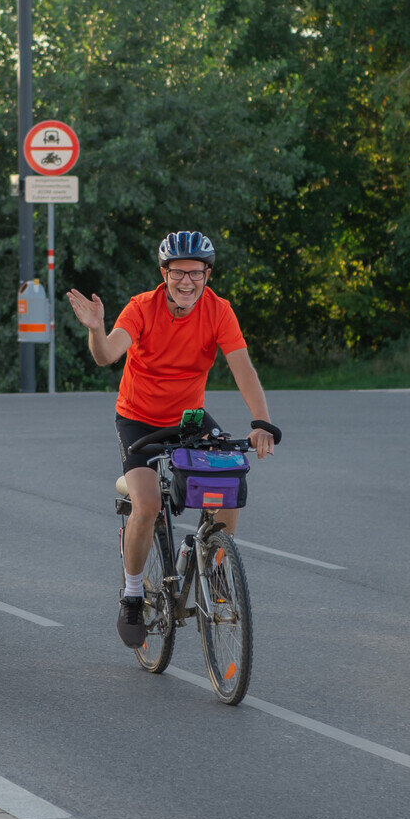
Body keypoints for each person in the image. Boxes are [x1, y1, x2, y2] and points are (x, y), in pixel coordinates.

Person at [65, 230, 279, 649]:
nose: (187, 281)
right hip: (139, 419)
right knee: (147, 504)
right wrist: (96, 328)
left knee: (229, 482)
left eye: (196, 272)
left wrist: (262, 422)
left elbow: (243, 369)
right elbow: (107, 355)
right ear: (164, 273)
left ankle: (215, 561)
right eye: (178, 272)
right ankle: (131, 593)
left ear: (207, 274)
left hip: (188, 419)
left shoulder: (219, 311)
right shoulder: (141, 309)